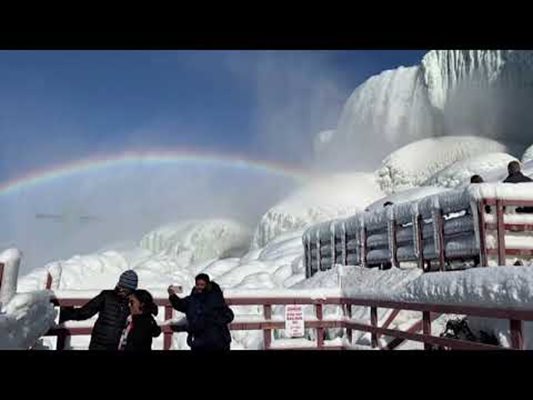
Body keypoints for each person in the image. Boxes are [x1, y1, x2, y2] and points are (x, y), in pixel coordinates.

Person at [59, 270, 138, 350]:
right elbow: (85, 312)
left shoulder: (134, 302)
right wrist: (64, 314)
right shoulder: (106, 296)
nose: (123, 291)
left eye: (127, 289)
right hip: (99, 344)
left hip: (118, 345)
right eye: (123, 287)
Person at [168, 273, 234, 352]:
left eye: (202, 284)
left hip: (217, 341)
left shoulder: (215, 298)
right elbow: (181, 305)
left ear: (207, 284)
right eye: (197, 284)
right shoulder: (192, 299)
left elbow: (229, 315)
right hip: (199, 341)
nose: (199, 287)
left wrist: (214, 321)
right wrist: (172, 296)